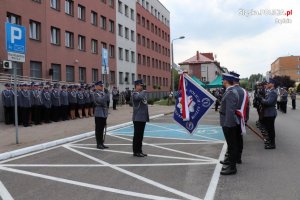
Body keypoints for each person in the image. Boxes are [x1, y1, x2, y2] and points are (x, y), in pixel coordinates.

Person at [219, 73, 239, 175]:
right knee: (231, 145)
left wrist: (228, 124)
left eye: (223, 80)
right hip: (227, 121)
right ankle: (231, 164)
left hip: (228, 123)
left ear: (226, 81)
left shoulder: (230, 92)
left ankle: (232, 167)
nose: (222, 82)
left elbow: (230, 111)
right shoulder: (230, 91)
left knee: (231, 145)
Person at [132, 79, 149, 157]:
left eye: (142, 86)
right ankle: (136, 151)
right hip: (137, 118)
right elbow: (139, 97)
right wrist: (144, 91)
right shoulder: (134, 94)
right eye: (141, 85)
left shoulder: (141, 93)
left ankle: (140, 150)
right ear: (137, 85)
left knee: (141, 135)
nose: (142, 87)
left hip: (142, 117)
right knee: (137, 135)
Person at [259, 78, 278, 149]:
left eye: (269, 83)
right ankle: (270, 141)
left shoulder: (273, 92)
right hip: (268, 112)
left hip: (270, 113)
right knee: (268, 129)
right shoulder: (270, 91)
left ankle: (272, 144)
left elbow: (269, 102)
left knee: (270, 129)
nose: (267, 84)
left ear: (272, 84)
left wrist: (261, 99)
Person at [94, 81, 109, 149]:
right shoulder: (96, 93)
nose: (102, 87)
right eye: (100, 86)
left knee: (102, 129)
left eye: (102, 86)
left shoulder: (102, 93)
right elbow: (100, 101)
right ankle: (98, 144)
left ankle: (102, 143)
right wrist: (106, 95)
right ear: (96, 86)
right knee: (99, 129)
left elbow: (107, 100)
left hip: (104, 113)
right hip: (99, 113)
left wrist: (106, 93)